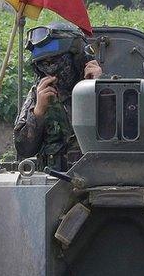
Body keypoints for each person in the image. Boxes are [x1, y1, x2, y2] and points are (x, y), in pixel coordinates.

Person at [13, 22, 103, 171]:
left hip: (96, 177)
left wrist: (100, 90)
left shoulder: (104, 87)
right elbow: (23, 148)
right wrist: (38, 112)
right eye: (44, 64)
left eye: (55, 61)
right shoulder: (40, 93)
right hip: (52, 181)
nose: (50, 69)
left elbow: (123, 139)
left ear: (77, 57)